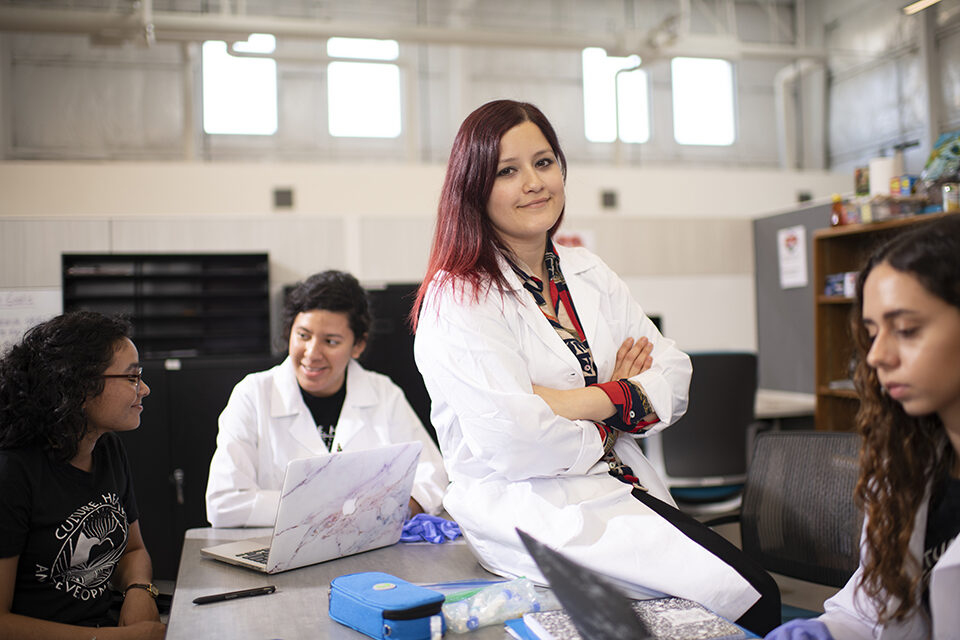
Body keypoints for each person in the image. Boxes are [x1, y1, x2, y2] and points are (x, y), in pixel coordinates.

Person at [411, 99, 780, 635]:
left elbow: (674, 375)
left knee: (737, 597)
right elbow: (515, 442)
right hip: (540, 512)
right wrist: (624, 397)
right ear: (474, 189)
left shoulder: (587, 271)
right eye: (507, 171)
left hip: (620, 490)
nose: (534, 183)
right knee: (752, 596)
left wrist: (579, 401)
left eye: (544, 162)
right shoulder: (459, 296)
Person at [767, 216, 960, 640]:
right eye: (871, 333)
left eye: (906, 330)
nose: (876, 356)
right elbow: (874, 609)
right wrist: (828, 632)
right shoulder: (910, 456)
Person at [206, 269, 447, 528]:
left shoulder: (383, 394)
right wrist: (335, 507)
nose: (312, 353)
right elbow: (224, 503)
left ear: (358, 345)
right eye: (303, 336)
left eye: (330, 342)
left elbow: (432, 475)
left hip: (365, 548)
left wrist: (395, 508)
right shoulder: (253, 394)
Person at [0, 311, 165, 640]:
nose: (144, 389)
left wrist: (139, 590)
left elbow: (133, 551)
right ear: (79, 387)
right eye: (132, 378)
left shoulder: (108, 449)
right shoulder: (12, 473)